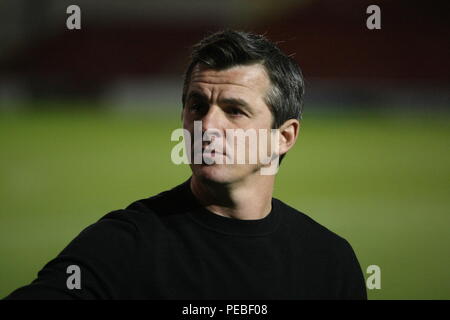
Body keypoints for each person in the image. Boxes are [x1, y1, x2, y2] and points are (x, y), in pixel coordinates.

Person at [5, 30, 367, 300]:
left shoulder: (329, 263)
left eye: (234, 110)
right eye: (197, 106)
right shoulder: (123, 246)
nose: (207, 127)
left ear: (283, 137)